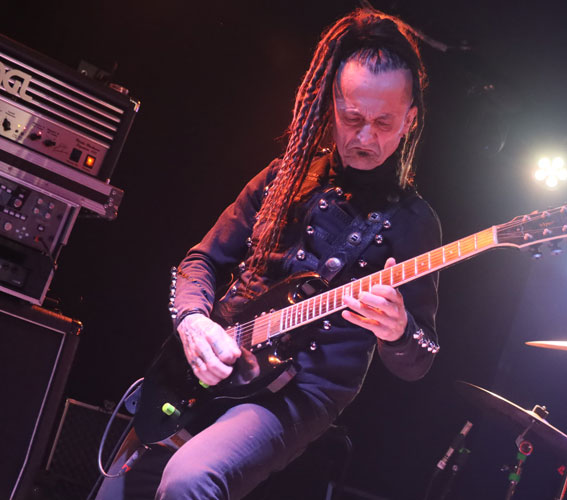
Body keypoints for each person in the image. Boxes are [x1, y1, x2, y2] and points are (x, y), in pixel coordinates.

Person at [95, 8, 441, 500]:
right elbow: (200, 261)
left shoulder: (414, 224)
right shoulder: (284, 177)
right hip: (219, 356)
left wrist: (399, 330)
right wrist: (193, 323)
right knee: (118, 488)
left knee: (191, 479)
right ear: (331, 104)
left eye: (384, 122)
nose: (366, 137)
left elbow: (419, 359)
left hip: (299, 392)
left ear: (409, 120)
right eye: (352, 118)